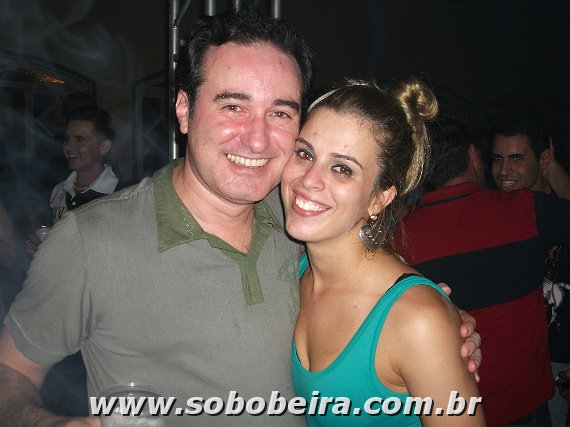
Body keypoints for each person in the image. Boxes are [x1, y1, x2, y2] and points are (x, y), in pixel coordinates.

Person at [0, 12, 480, 426]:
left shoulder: (299, 220)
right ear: (184, 110)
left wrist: (432, 330)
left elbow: (375, 291)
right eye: (233, 106)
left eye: (281, 113)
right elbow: (11, 372)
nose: (257, 140)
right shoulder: (88, 241)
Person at [282, 80, 484, 426]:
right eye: (305, 154)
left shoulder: (417, 319)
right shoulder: (292, 270)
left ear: (379, 199)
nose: (309, 179)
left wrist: (438, 326)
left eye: (342, 168)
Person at [398, 114, 570, 426]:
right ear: (474, 155)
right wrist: (551, 166)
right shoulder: (524, 210)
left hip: (452, 412)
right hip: (524, 408)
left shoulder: (399, 239)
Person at [491, 116, 570, 426]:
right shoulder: (489, 212)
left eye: (516, 159)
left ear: (544, 159)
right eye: (497, 159)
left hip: (560, 362)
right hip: (515, 367)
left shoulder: (558, 207)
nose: (503, 171)